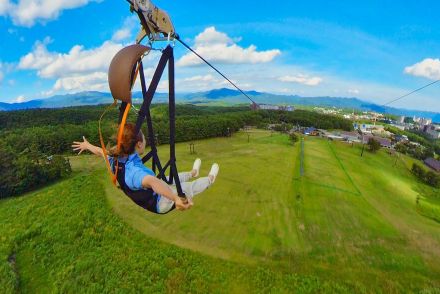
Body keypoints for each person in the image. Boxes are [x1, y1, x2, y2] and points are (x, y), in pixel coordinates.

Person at [72, 123, 219, 214]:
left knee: (171, 178)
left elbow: (101, 152)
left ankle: (194, 172)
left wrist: (87, 146)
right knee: (186, 188)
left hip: (153, 191)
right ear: (139, 144)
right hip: (159, 203)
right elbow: (151, 182)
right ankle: (210, 179)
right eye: (144, 140)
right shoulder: (134, 173)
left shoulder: (116, 157)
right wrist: (175, 198)